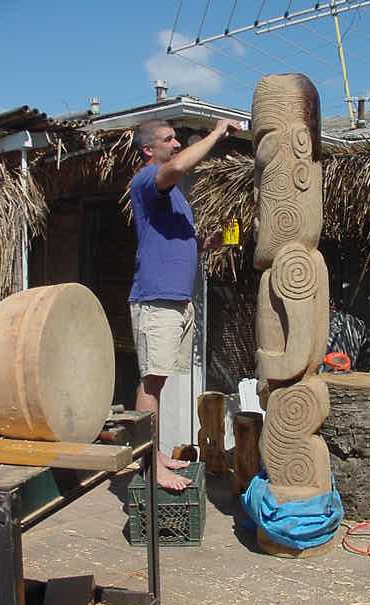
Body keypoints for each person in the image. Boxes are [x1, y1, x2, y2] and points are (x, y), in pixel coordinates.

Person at [129, 117, 242, 490]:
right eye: (169, 139)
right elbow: (177, 167)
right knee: (151, 382)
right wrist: (217, 133)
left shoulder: (175, 197)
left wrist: (211, 243)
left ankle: (155, 453)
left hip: (179, 301)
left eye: (177, 139)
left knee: (158, 381)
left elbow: (181, 242)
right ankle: (150, 467)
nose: (176, 144)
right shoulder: (148, 178)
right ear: (149, 149)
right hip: (156, 299)